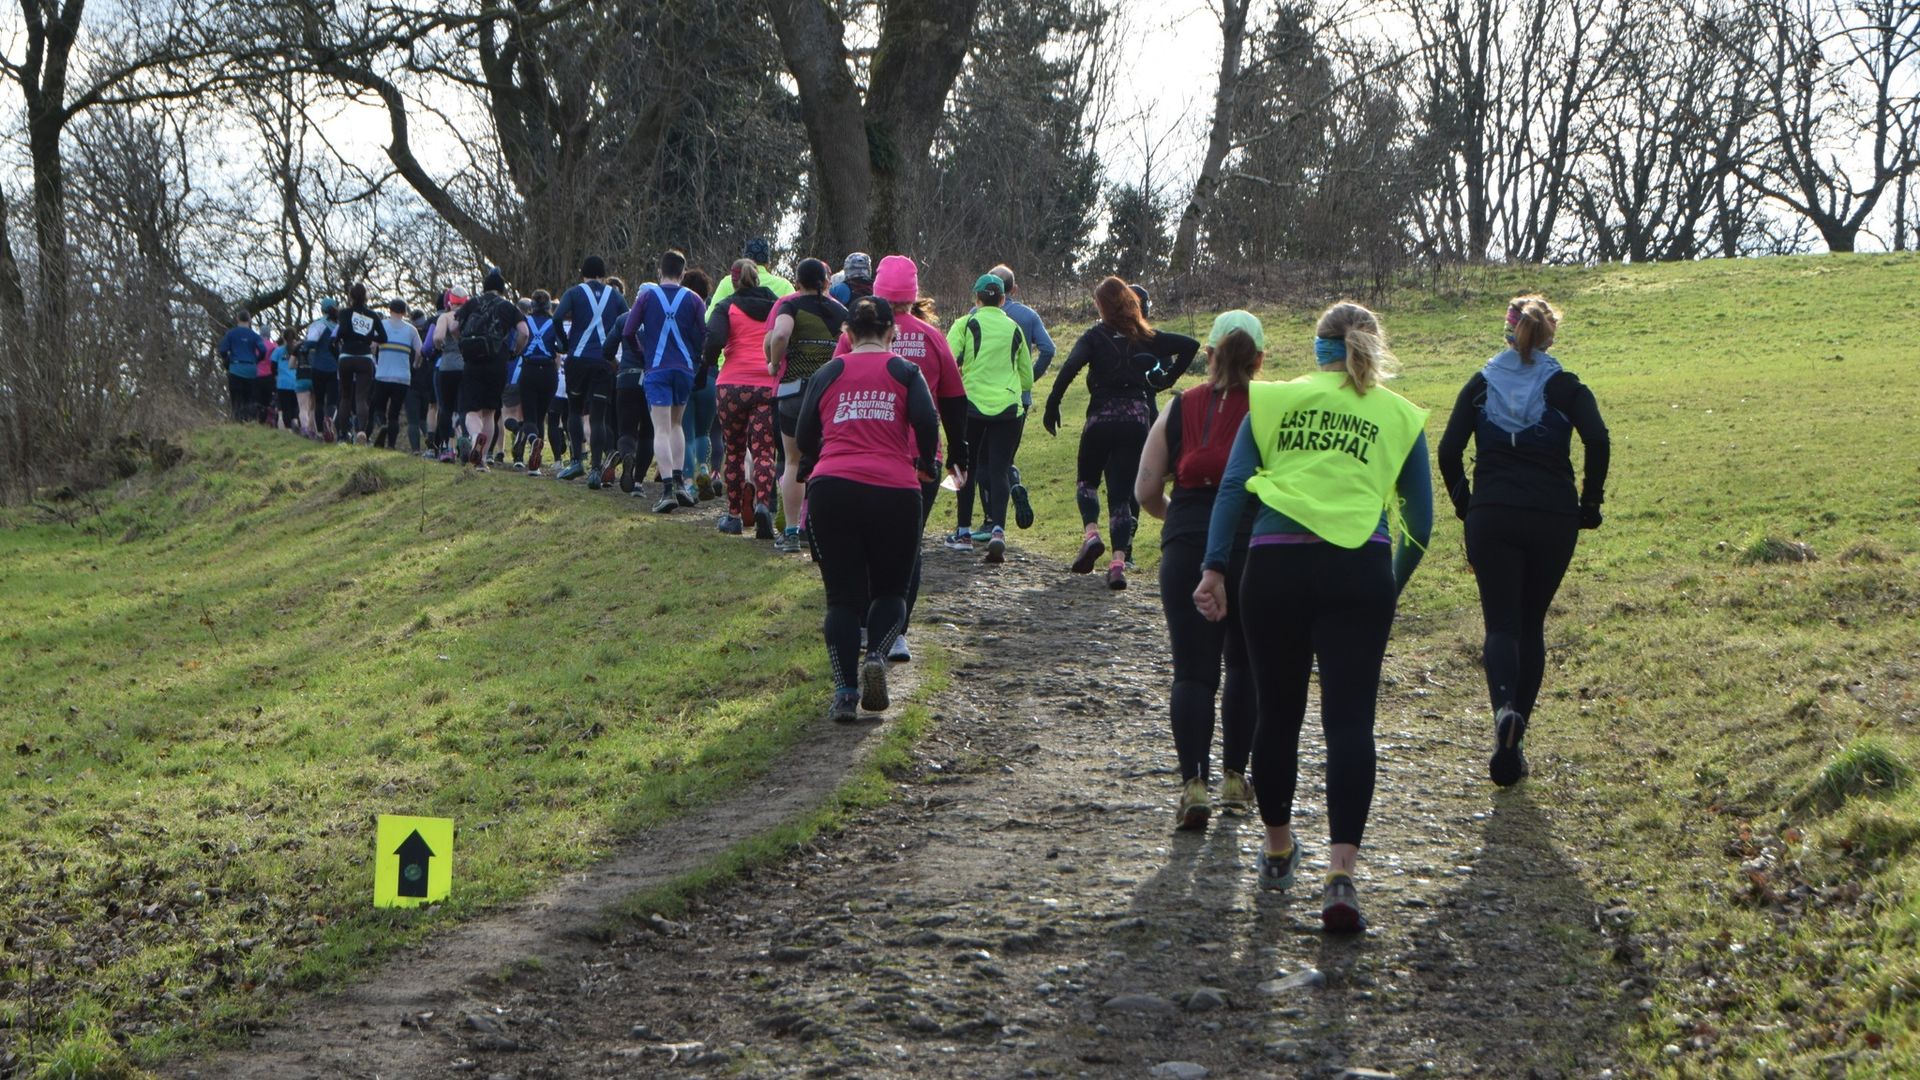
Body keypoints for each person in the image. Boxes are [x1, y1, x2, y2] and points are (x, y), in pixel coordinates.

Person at [1193, 300, 1432, 932]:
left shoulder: (1271, 401)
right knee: (1351, 722)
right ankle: (1341, 874)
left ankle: (1276, 849)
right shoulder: (1399, 415)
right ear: (1371, 348)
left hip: (1273, 570)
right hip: (1359, 571)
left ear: (1316, 346)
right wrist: (1389, 583)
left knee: (1278, 713)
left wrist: (1214, 567)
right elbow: (1423, 525)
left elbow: (1232, 488)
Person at [1437, 295, 1609, 787]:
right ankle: (1515, 743)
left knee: (1501, 626)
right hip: (1552, 516)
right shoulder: (1566, 385)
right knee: (1531, 625)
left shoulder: (1479, 384)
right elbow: (1598, 440)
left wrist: (1464, 503)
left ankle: (1502, 711)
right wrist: (1590, 503)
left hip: (1492, 514)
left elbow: (1449, 451)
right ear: (1550, 334)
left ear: (1507, 331)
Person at [1137, 311, 1263, 830]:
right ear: (1259, 361)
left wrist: (1181, 520)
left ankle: (1194, 786)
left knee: (1193, 671)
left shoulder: (1179, 406)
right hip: (1252, 545)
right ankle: (1236, 778)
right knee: (1244, 666)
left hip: (1188, 543)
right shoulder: (1272, 408)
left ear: (1208, 356)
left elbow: (1144, 490)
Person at [794, 296, 939, 721]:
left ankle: (844, 692)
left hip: (832, 489)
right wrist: (927, 462)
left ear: (848, 334)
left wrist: (819, 457)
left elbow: (805, 432)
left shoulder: (829, 371)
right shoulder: (905, 371)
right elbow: (927, 422)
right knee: (891, 591)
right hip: (894, 490)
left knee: (841, 600)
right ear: (892, 333)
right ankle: (876, 654)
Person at [833, 254, 969, 663]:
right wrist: (957, 454)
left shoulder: (853, 337)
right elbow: (954, 401)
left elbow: (834, 387)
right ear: (912, 296)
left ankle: (862, 624)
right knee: (907, 547)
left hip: (863, 451)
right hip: (919, 459)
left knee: (863, 543)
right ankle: (895, 632)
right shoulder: (932, 337)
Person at [1044, 277, 1199, 589]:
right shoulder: (1146, 336)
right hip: (1136, 420)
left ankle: (1092, 534)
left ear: (1102, 305)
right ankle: (1117, 564)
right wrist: (1167, 379)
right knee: (1121, 496)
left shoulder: (1095, 336)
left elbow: (1070, 366)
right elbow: (1190, 345)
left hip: (1101, 416)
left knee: (1087, 482)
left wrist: (1053, 403)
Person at [945, 273, 1033, 564]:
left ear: (977, 298)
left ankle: (964, 532)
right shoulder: (1015, 327)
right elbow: (1026, 376)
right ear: (1004, 299)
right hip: (1008, 407)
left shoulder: (965, 323)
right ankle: (997, 531)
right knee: (999, 469)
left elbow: (949, 359)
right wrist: (1019, 395)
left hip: (971, 405)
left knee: (963, 466)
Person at [764, 258, 849, 553]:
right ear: (826, 282)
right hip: (830, 396)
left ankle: (790, 533)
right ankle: (821, 532)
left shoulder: (791, 306)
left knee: (793, 462)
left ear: (797, 282)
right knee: (828, 462)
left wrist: (774, 364)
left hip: (793, 393)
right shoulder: (842, 312)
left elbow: (781, 334)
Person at [620, 250, 708, 511]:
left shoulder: (647, 296)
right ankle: (681, 483)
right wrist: (694, 360)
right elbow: (705, 334)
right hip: (684, 369)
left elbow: (628, 331)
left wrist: (642, 353)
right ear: (683, 273)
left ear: (659, 271)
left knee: (660, 428)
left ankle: (667, 489)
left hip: (656, 369)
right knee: (676, 424)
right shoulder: (694, 299)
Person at [704, 259, 782, 537]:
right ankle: (763, 505)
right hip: (765, 385)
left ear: (733, 280)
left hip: (732, 387)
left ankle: (734, 515)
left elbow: (713, 338)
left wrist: (707, 365)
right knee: (764, 451)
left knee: (735, 451)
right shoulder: (776, 306)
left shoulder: (727, 306)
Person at [988, 264, 1056, 530]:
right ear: (1013, 288)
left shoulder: (975, 314)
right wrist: (1029, 380)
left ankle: (991, 519)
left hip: (983, 395)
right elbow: (1048, 349)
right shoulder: (1027, 316)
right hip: (1018, 397)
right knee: (1005, 456)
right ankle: (1013, 485)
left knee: (987, 460)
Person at [553, 256, 628, 485]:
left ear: (582, 273)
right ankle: (596, 469)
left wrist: (564, 344)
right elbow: (627, 320)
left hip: (577, 359)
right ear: (603, 275)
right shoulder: (615, 296)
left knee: (574, 411)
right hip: (604, 362)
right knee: (598, 417)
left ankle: (576, 461)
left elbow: (557, 317)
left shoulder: (574, 292)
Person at [455, 268, 529, 470]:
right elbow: (524, 332)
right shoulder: (508, 307)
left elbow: (454, 327)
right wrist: (515, 351)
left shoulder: (472, 303)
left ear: (485, 287)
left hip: (472, 361)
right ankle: (483, 460)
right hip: (497, 362)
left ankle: (474, 437)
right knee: (489, 412)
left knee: (471, 409)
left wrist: (461, 344)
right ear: (502, 290)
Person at [676, 268, 721, 499]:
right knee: (704, 432)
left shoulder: (680, 317)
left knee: (687, 433)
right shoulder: (712, 314)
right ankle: (705, 468)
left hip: (685, 376)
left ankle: (688, 481)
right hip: (710, 377)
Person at [508, 289, 565, 473]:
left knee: (530, 415)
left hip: (529, 370)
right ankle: (536, 463)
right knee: (541, 417)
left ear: (532, 305)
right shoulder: (554, 323)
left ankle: (533, 442)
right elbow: (563, 347)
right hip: (548, 372)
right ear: (549, 306)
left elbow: (517, 341)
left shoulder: (525, 321)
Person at [333, 284, 389, 445]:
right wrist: (369, 337)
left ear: (350, 296)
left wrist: (340, 340)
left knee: (345, 396)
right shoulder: (372, 315)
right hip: (364, 357)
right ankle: (362, 432)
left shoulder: (344, 313)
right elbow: (384, 338)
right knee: (361, 397)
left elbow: (341, 332)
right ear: (366, 296)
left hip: (346, 356)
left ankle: (343, 435)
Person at [370, 299, 420, 449]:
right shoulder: (411, 330)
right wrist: (415, 365)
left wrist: (375, 360)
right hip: (402, 378)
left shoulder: (382, 325)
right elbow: (420, 351)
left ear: (390, 310)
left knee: (379, 408)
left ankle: (382, 425)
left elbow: (372, 346)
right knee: (395, 413)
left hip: (382, 375)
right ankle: (391, 445)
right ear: (404, 312)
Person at [430, 291, 467, 461]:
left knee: (445, 407)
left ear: (450, 303)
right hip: (466, 365)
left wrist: (441, 348)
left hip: (447, 366)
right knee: (464, 408)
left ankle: (446, 448)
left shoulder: (445, 317)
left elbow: (437, 337)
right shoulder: (470, 315)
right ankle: (464, 441)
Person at [710, 236, 794, 308]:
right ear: (768, 263)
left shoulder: (728, 281)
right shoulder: (785, 285)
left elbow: (709, 318)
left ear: (743, 260)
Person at [300, 298, 342, 442]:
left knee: (318, 401)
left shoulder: (317, 325)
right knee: (332, 401)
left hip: (318, 367)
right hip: (335, 368)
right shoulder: (339, 325)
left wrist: (305, 351)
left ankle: (319, 433)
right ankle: (329, 423)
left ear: (322, 309)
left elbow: (310, 343)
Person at [219, 311, 266, 422]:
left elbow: (222, 350)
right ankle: (249, 421)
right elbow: (263, 350)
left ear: (237, 319)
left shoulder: (231, 334)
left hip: (236, 368)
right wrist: (256, 360)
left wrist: (228, 360)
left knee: (236, 398)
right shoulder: (254, 335)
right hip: (251, 370)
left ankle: (237, 421)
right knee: (249, 398)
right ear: (249, 320)